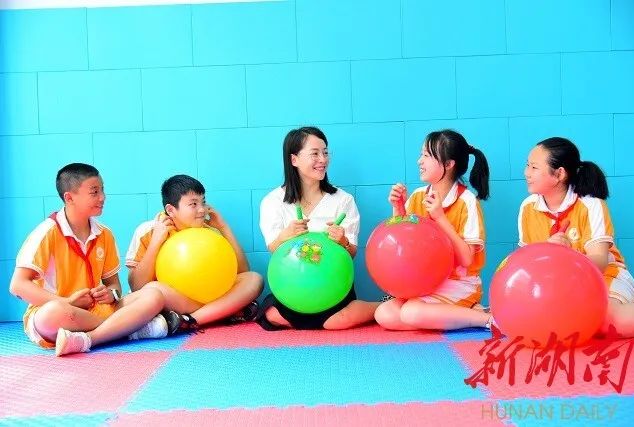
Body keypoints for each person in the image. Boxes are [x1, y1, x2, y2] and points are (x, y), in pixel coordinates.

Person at [9, 163, 168, 357]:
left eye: (102, 190)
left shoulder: (104, 234)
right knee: (52, 314)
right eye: (94, 192)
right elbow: (17, 285)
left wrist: (112, 294)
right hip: (62, 313)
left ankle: (90, 338)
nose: (102, 197)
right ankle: (129, 329)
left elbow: (113, 285)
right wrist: (67, 301)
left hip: (97, 310)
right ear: (69, 198)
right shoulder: (46, 233)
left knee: (154, 295)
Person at [256, 126, 379, 330]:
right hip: (293, 285)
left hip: (332, 285)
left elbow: (351, 253)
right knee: (271, 315)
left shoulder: (343, 200)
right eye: (315, 153)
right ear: (294, 159)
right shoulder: (273, 201)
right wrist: (285, 236)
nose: (323, 159)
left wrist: (343, 241)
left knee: (336, 321)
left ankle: (381, 306)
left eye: (325, 152)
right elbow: (273, 248)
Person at [520, 137, 634, 337]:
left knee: (606, 320)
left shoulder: (591, 204)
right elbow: (526, 262)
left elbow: (600, 262)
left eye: (534, 167)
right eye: (527, 165)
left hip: (604, 276)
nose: (527, 173)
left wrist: (568, 257)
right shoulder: (527, 207)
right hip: (561, 286)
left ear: (559, 174)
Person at [375, 129, 493, 331]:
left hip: (458, 283)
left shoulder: (467, 201)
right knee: (384, 314)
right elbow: (404, 247)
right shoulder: (418, 196)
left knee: (411, 312)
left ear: (448, 164)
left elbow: (467, 260)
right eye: (421, 154)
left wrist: (440, 218)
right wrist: (398, 209)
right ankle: (456, 315)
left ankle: (486, 319)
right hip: (426, 282)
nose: (419, 161)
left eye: (426, 155)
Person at [126, 174, 263, 333]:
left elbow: (242, 272)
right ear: (171, 210)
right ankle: (223, 311)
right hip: (173, 298)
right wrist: (156, 242)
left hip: (208, 296)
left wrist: (224, 228)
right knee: (153, 289)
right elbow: (137, 287)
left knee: (254, 279)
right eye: (193, 204)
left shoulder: (210, 232)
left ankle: (190, 320)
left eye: (203, 202)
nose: (202, 210)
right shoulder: (148, 230)